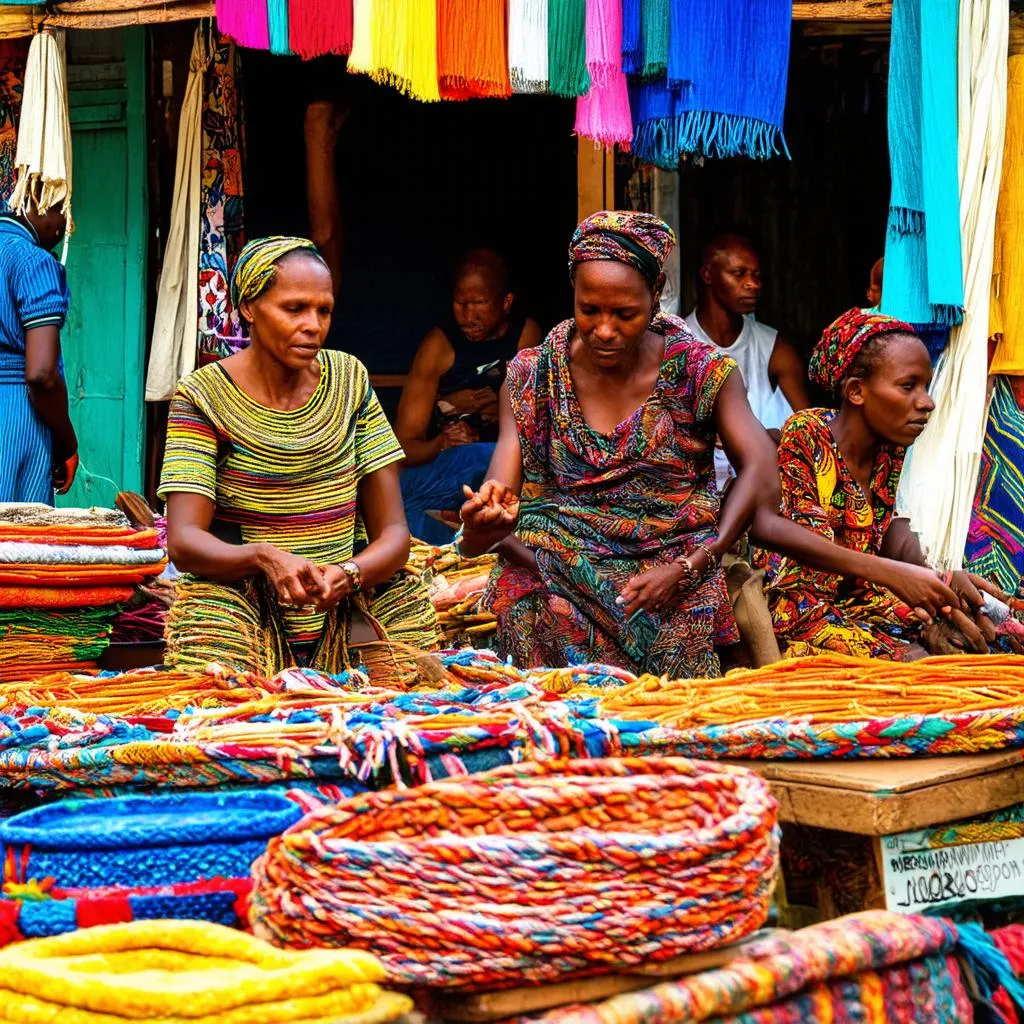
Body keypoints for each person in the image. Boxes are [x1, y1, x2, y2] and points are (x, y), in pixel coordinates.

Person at [458, 214, 966, 678]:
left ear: (657, 293)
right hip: (559, 575)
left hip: (672, 575)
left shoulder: (701, 372)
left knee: (679, 670)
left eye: (625, 313)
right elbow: (500, 489)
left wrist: (697, 561)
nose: (605, 330)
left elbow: (761, 467)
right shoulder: (530, 377)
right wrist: (484, 519)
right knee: (527, 606)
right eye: (589, 310)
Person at [160, 236, 435, 676]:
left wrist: (349, 573)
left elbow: (395, 535)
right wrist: (263, 558)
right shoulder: (204, 396)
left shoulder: (349, 382)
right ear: (249, 307)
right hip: (243, 600)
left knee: (416, 682)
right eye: (294, 309)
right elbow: (185, 541)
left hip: (346, 599)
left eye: (323, 310)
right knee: (221, 697)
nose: (314, 325)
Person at [765, 308, 999, 660]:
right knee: (914, 662)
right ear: (857, 392)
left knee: (971, 637)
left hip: (861, 602)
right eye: (908, 386)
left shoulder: (891, 450)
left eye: (926, 386)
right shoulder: (807, 434)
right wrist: (894, 576)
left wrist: (941, 579)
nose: (927, 402)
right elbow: (806, 545)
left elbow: (894, 531)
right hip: (797, 608)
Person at [396, 248, 541, 544]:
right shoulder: (439, 346)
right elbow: (403, 448)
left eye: (479, 304)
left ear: (506, 302)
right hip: (451, 466)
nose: (468, 315)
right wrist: (442, 441)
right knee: (395, 491)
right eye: (460, 304)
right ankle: (446, 559)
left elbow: (534, 427)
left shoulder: (525, 335)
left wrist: (500, 411)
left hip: (511, 464)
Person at [684, 233, 809, 491]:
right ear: (707, 275)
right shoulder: (679, 344)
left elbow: (809, 432)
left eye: (757, 275)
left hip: (767, 488)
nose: (753, 284)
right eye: (739, 273)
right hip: (695, 492)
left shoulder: (775, 348)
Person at [0, 193, 77, 503]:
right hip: (14, 415)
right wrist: (67, 443)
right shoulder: (33, 262)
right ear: (41, 203)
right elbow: (42, 374)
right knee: (17, 543)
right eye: (65, 214)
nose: (65, 229)